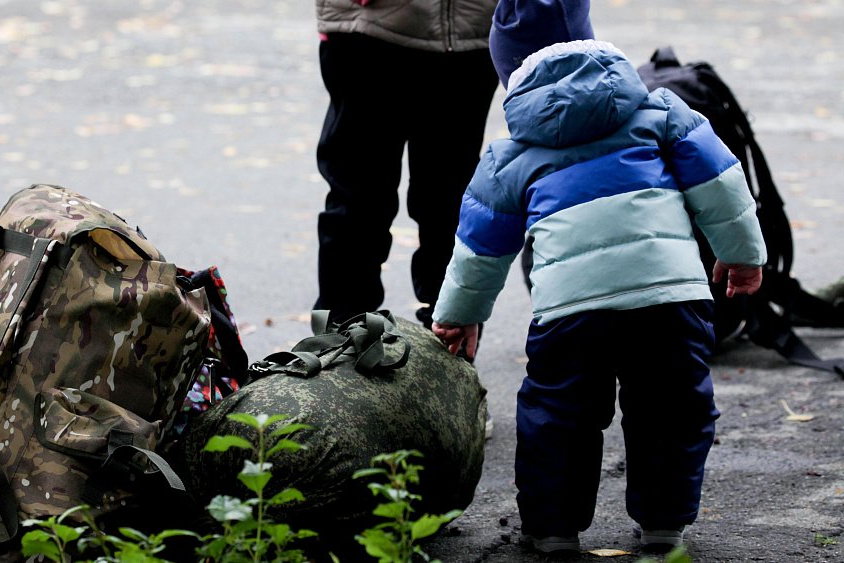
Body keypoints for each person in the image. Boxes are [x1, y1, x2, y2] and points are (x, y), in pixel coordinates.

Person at [431, 0, 766, 554]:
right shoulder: (661, 110)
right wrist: (743, 255)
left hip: (571, 311)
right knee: (672, 409)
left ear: (510, 72)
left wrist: (459, 316)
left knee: (557, 415)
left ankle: (553, 529)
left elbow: (479, 251)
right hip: (669, 297)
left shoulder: (508, 157)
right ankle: (664, 525)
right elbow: (721, 185)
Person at [312, 0, 499, 329]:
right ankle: (341, 340)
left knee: (451, 201)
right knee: (359, 199)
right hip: (369, 28)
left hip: (472, 32)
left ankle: (450, 338)